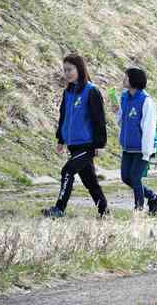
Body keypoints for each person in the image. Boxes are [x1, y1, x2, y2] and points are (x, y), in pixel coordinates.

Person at [42, 54, 109, 218]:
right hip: (73, 145)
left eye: (70, 69)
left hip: (87, 144)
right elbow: (63, 116)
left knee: (67, 171)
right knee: (90, 181)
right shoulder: (68, 92)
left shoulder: (91, 91)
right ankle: (105, 212)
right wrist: (61, 139)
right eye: (65, 70)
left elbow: (99, 119)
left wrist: (98, 144)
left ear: (80, 68)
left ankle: (59, 209)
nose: (67, 73)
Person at [114, 68, 157, 214]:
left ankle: (139, 209)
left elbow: (149, 128)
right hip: (128, 147)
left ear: (134, 81)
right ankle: (152, 196)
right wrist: (117, 112)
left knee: (135, 177)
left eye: (126, 76)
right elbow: (121, 120)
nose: (123, 79)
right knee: (126, 177)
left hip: (142, 148)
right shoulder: (124, 97)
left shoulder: (146, 101)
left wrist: (147, 152)